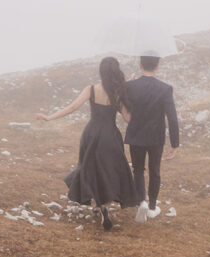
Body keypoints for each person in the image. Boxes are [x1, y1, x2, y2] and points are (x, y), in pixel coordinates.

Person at [35, 57, 138, 230]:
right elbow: (128, 119)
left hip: (91, 134)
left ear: (101, 71)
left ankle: (99, 205)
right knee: (110, 169)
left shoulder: (91, 89)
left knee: (91, 167)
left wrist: (48, 117)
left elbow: (72, 107)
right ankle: (104, 204)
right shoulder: (118, 92)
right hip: (111, 136)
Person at [125, 55, 179, 220]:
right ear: (157, 66)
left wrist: (127, 84)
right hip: (156, 137)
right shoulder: (165, 88)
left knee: (138, 170)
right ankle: (152, 207)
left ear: (140, 64)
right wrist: (175, 144)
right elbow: (172, 117)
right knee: (155, 171)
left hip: (136, 134)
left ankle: (141, 201)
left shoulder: (130, 86)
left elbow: (121, 104)